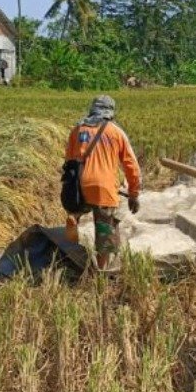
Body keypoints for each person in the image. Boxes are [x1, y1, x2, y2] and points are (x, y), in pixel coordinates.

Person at [64, 95, 142, 269]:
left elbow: (69, 160)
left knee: (80, 207)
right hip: (104, 187)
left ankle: (75, 216)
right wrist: (134, 194)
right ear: (110, 112)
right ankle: (102, 268)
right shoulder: (116, 132)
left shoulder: (78, 129)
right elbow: (132, 167)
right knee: (105, 229)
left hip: (79, 184)